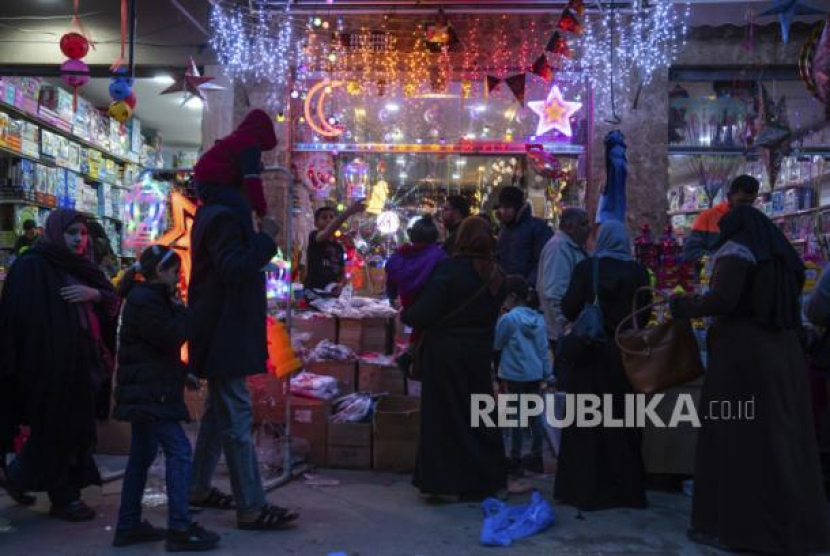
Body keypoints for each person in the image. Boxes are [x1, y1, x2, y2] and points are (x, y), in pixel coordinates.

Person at [670, 204, 830, 555]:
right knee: (779, 439)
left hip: (742, 364)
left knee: (737, 438)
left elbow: (724, 300)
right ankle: (792, 523)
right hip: (781, 359)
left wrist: (684, 306)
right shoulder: (780, 257)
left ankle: (740, 526)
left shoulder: (736, 254)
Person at [188, 111, 299, 530]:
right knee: (235, 419)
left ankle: (198, 486)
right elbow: (234, 268)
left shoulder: (219, 211)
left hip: (222, 328)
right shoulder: (223, 215)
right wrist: (266, 238)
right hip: (224, 331)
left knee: (221, 412)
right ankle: (251, 506)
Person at [0, 209, 120, 521]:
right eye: (72, 233)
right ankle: (63, 496)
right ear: (55, 232)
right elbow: (19, 317)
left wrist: (93, 293)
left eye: (82, 234)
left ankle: (19, 478)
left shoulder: (82, 266)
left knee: (68, 428)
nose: (79, 240)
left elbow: (111, 299)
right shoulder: (33, 266)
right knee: (57, 427)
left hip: (81, 363)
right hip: (47, 364)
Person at [112, 245, 219, 551]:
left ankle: (128, 524)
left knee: (142, 456)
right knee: (180, 451)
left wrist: (181, 371)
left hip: (150, 388)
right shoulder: (146, 300)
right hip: (151, 393)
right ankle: (179, 528)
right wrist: (189, 312)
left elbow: (156, 347)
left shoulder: (149, 298)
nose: (178, 278)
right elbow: (170, 336)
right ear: (160, 272)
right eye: (175, 271)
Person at [402, 217, 507, 500]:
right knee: (479, 415)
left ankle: (444, 483)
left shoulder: (449, 270)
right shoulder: (496, 274)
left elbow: (423, 312)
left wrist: (407, 314)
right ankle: (484, 480)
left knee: (443, 418)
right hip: (478, 353)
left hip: (445, 354)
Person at [553, 220, 650, 511]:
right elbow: (643, 315)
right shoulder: (638, 271)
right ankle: (626, 489)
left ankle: (585, 490)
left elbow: (569, 307)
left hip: (590, 355)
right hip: (624, 356)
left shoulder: (587, 268)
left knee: (587, 422)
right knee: (623, 422)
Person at [494, 275, 552, 477]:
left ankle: (515, 458)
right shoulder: (539, 319)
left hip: (514, 375)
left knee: (516, 417)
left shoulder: (508, 319)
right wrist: (547, 374)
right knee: (535, 416)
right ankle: (536, 457)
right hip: (535, 374)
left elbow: (497, 344)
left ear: (511, 296)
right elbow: (544, 350)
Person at [192, 108, 277, 219]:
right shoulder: (250, 145)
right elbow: (252, 181)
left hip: (204, 182)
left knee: (239, 204)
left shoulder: (239, 138)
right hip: (211, 184)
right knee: (242, 207)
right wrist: (261, 210)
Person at [537, 208, 590, 351]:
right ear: (570, 227)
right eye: (584, 224)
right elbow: (555, 292)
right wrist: (565, 325)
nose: (589, 229)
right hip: (562, 332)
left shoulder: (571, 247)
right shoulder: (559, 248)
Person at [681, 174, 759, 263]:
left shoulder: (754, 219)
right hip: (711, 275)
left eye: (751, 202)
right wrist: (715, 260)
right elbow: (690, 253)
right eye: (742, 201)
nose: (747, 206)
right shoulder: (707, 217)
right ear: (729, 197)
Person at [303, 202, 366, 300]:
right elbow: (327, 232)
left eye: (332, 217)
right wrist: (348, 212)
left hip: (331, 295)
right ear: (316, 223)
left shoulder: (338, 247)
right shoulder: (315, 236)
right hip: (313, 293)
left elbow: (342, 273)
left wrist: (341, 285)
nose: (329, 220)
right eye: (324, 217)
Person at [386, 216, 447, 310]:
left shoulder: (399, 256)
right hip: (430, 311)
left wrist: (392, 298)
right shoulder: (438, 256)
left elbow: (391, 283)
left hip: (407, 309)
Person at [495, 186, 552, 286]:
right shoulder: (503, 230)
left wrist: (528, 285)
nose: (503, 211)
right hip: (505, 290)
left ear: (517, 207)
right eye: (501, 207)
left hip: (528, 292)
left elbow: (543, 262)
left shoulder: (537, 227)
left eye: (507, 207)